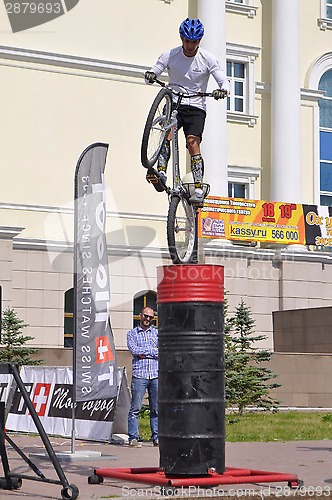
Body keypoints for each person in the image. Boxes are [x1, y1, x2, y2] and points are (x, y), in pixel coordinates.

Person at [145, 17, 230, 205]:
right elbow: (155, 70)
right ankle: (160, 171)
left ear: (199, 41)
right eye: (187, 41)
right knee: (167, 134)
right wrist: (151, 75)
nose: (190, 45)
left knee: (193, 142)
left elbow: (224, 82)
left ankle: (198, 186)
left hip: (196, 106)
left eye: (194, 42)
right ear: (181, 39)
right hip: (174, 100)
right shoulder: (170, 55)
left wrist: (222, 90)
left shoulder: (208, 59)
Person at [127, 306, 158, 447]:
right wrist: (151, 351)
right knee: (135, 408)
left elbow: (161, 352)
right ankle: (133, 437)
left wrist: (144, 353)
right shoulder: (132, 334)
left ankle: (156, 437)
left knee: (156, 408)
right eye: (146, 316)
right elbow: (134, 350)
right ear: (140, 315)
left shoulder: (157, 333)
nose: (148, 319)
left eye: (151, 317)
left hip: (155, 375)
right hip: (140, 375)